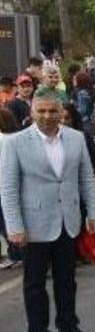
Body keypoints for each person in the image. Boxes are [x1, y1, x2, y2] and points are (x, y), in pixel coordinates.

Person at [0, 95, 95, 332]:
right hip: (33, 227)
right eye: (41, 111)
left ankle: (68, 327)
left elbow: (87, 179)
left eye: (53, 111)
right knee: (35, 286)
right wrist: (14, 226)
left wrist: (94, 212)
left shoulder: (76, 138)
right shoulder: (15, 142)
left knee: (67, 280)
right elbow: (8, 188)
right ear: (32, 113)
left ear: (61, 113)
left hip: (68, 222)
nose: (47, 116)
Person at [0, 108, 23, 269]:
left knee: (5, 221)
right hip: (14, 184)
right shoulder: (17, 138)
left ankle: (16, 254)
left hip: (4, 184)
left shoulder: (4, 139)